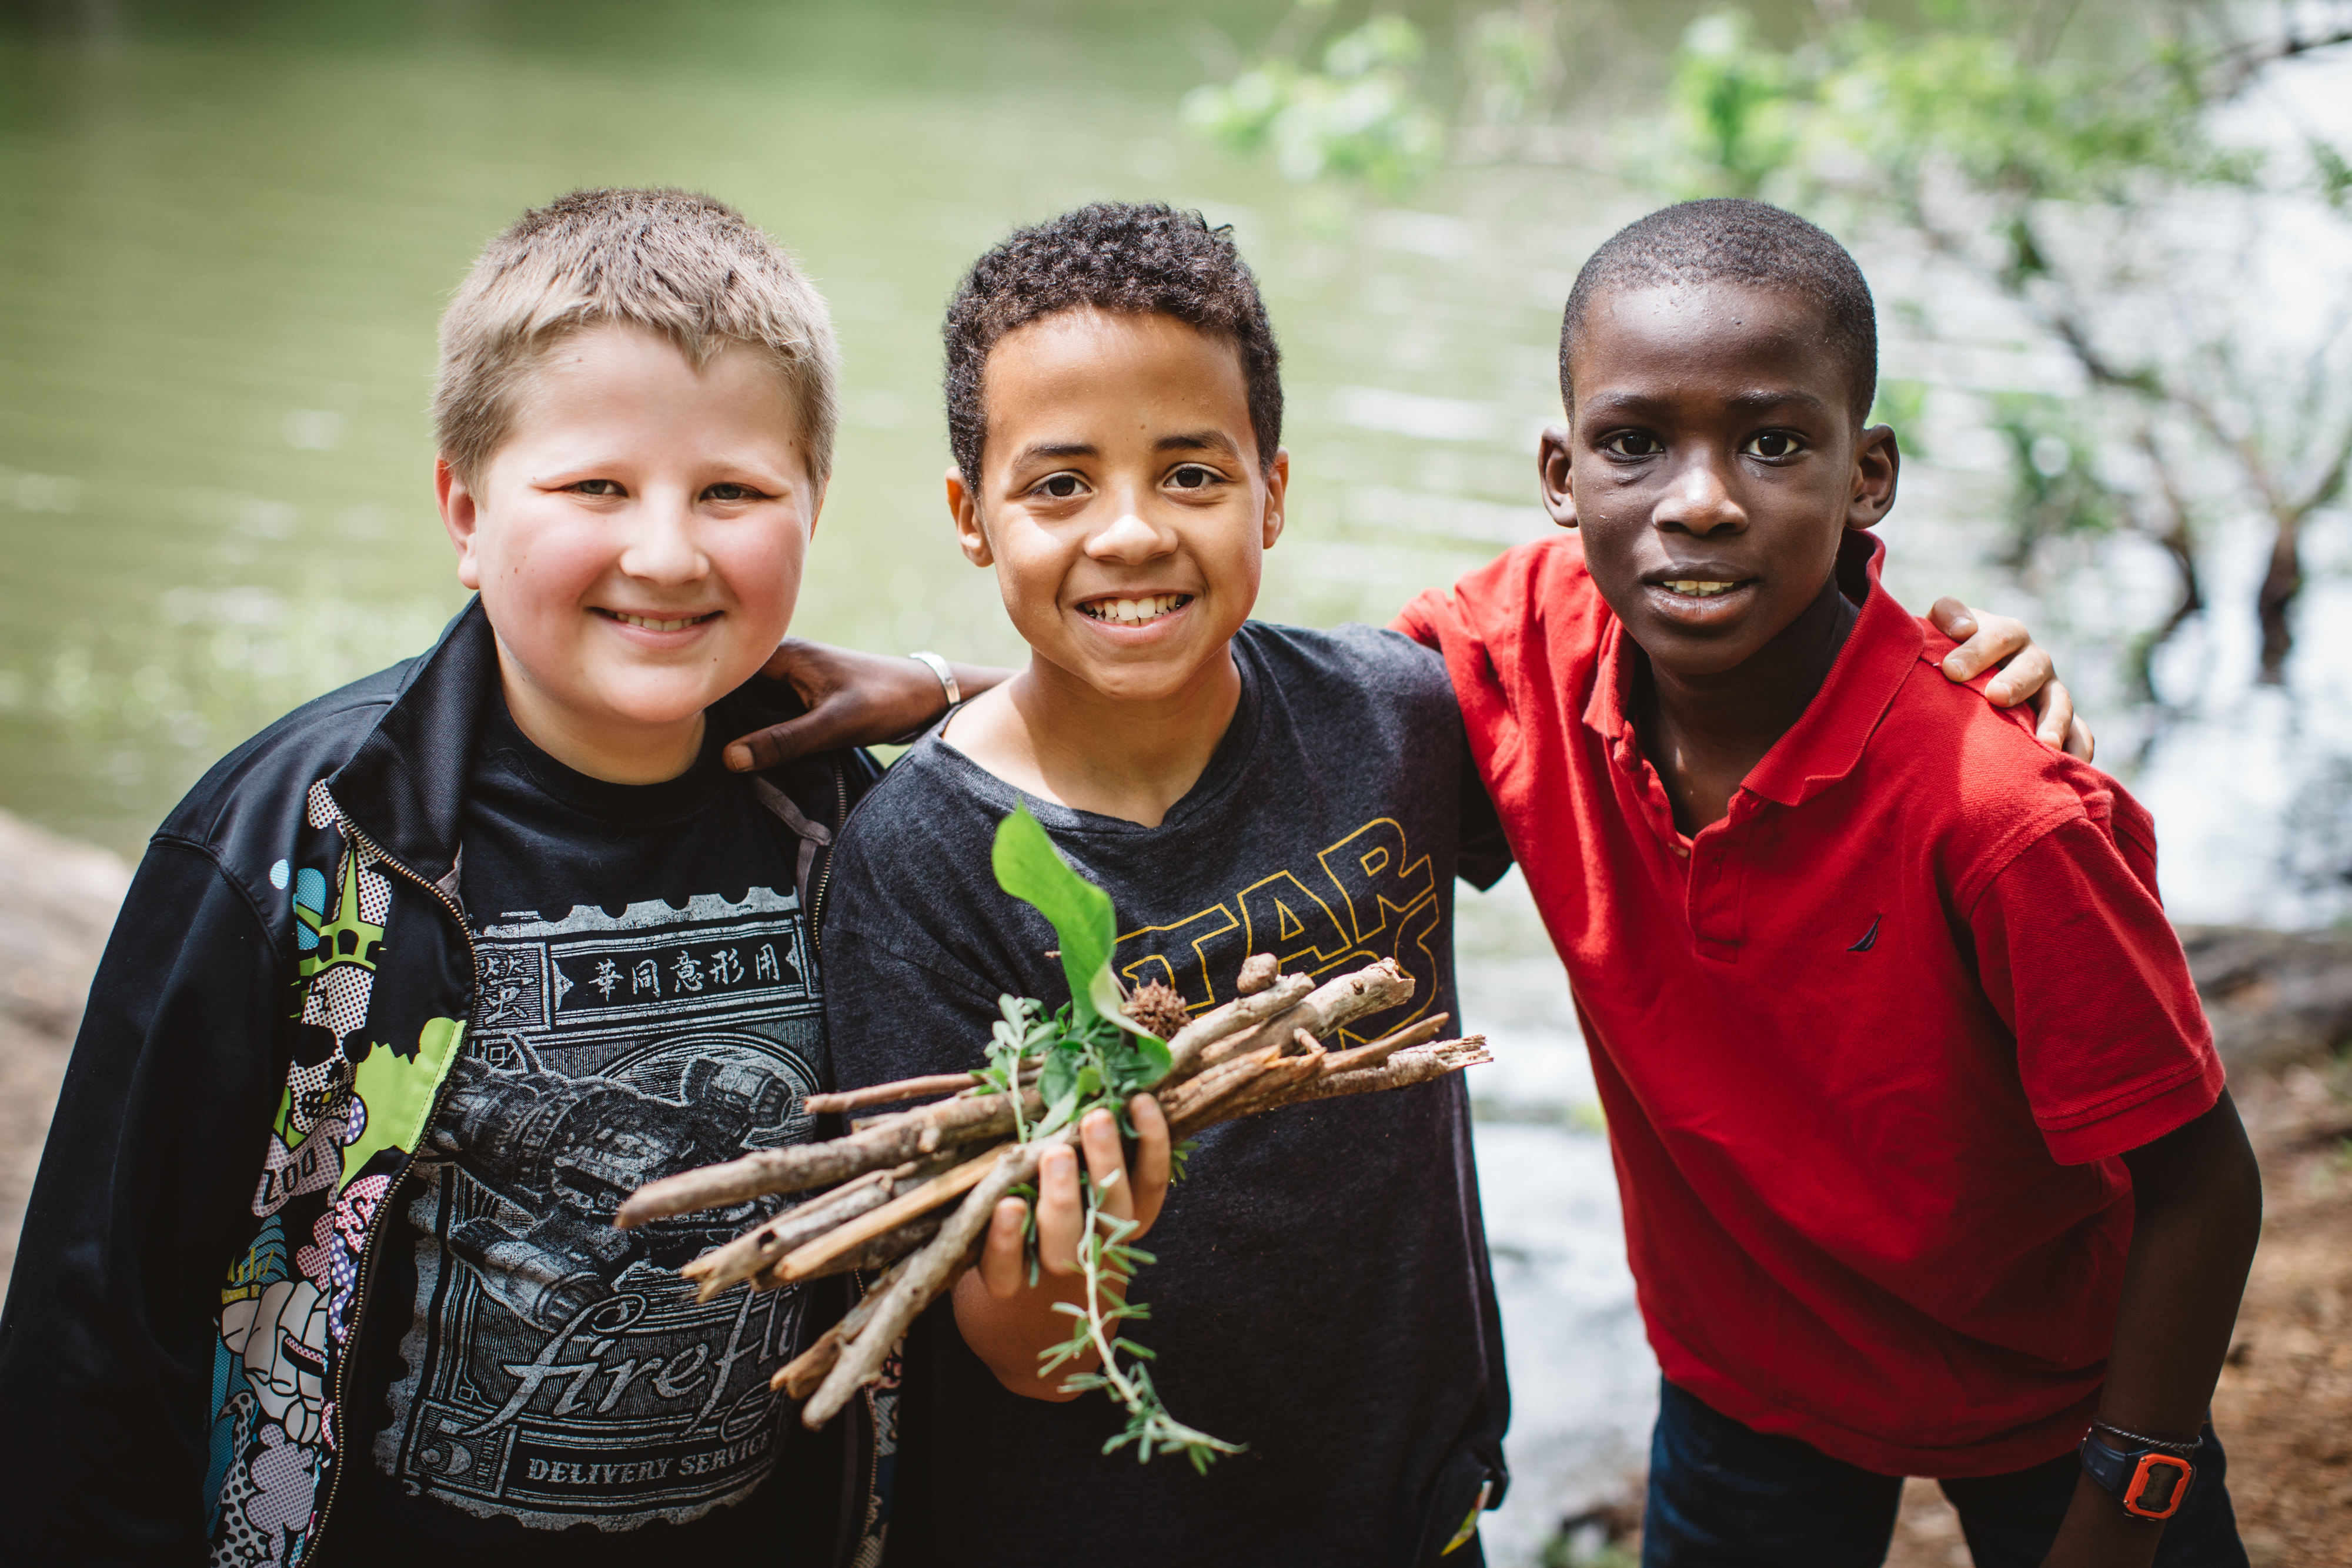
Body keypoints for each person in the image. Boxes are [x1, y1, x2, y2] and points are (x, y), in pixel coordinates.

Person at [795, 202, 2087, 1568]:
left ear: (1272, 490)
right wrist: (1062, 1272)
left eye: (1190, 472)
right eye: (1059, 485)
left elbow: (1705, 636)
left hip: (1417, 1510)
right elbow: (996, 1337)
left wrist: (1951, 689)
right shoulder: (924, 857)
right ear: (969, 515)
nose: (1128, 532)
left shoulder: (1396, 718)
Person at [0, 188, 932, 1567]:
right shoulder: (297, 845)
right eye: (594, 486)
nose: (666, 550)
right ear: (462, 504)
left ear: (813, 504)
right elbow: (98, 1312)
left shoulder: (859, 834)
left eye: (732, 490)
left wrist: (956, 691)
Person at [1392, 200, 2260, 1566]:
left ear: (1868, 477)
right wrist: (985, 696)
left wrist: (2130, 1479)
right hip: (1750, 1371)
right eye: (1633, 442)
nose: (1698, 498)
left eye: (1772, 441)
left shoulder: (1999, 813)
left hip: (2049, 1380)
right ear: (1561, 470)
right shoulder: (1523, 645)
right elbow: (1279, 723)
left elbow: (2202, 1181)